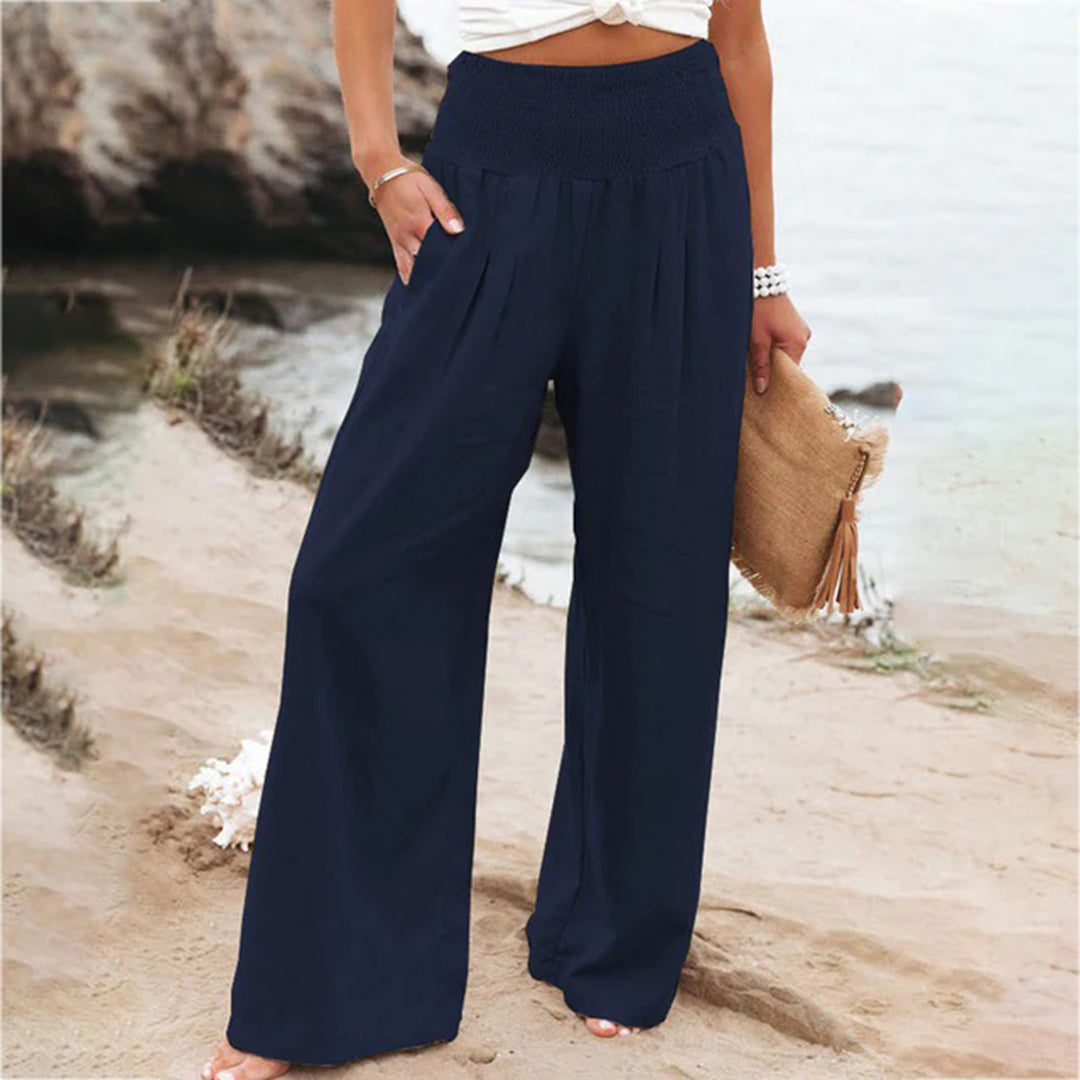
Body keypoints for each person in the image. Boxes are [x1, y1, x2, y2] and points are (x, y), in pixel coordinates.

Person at [202, 0, 811, 1076]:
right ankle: (337, 986)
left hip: (684, 177)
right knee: (359, 572)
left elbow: (741, 40)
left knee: (659, 581)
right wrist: (379, 160)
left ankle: (611, 940)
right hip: (491, 174)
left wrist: (763, 275)